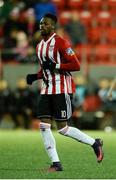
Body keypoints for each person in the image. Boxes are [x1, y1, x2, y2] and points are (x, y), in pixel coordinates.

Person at [26, 13, 104, 172]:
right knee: (43, 125)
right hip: (47, 89)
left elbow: (76, 65)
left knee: (62, 128)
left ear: (53, 26)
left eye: (46, 24)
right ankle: (56, 164)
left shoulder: (61, 43)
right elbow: (46, 68)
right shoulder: (39, 45)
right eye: (41, 23)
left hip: (62, 89)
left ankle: (94, 143)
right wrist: (36, 76)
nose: (42, 26)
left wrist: (56, 65)